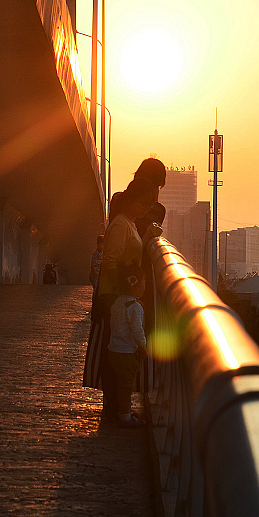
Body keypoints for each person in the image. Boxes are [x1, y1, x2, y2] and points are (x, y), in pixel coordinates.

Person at [90, 177, 157, 415]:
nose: (146, 209)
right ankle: (116, 408)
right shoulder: (120, 225)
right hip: (114, 296)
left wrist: (147, 236)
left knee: (118, 352)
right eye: (143, 204)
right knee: (116, 354)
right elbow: (110, 262)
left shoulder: (129, 223)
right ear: (130, 200)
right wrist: (126, 291)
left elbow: (132, 254)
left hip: (119, 296)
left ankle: (117, 406)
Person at [105, 263, 148, 427]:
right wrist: (143, 345)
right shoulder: (135, 307)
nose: (145, 285)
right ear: (136, 285)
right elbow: (137, 330)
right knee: (126, 385)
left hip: (113, 350)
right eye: (143, 282)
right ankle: (125, 417)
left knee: (118, 383)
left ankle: (122, 411)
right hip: (127, 352)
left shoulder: (117, 303)